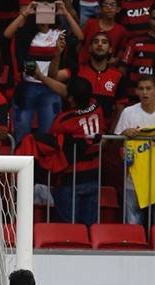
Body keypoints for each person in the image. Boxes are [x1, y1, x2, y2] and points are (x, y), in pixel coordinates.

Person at [5, 0, 84, 143]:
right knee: (22, 131)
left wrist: (65, 12)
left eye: (48, 11)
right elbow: (7, 34)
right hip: (27, 86)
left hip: (50, 87)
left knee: (48, 133)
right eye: (41, 11)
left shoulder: (59, 34)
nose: (44, 14)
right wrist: (26, 12)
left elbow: (80, 37)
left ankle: (45, 164)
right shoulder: (26, 34)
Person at [48, 77, 105, 226]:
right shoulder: (97, 107)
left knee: (69, 230)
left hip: (70, 180)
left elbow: (53, 146)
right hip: (94, 176)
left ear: (71, 99)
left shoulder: (63, 121)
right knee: (90, 229)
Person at [113, 76, 155, 225]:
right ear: (136, 91)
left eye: (149, 88)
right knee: (133, 225)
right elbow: (116, 143)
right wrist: (125, 133)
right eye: (141, 89)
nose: (145, 92)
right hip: (134, 179)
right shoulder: (128, 113)